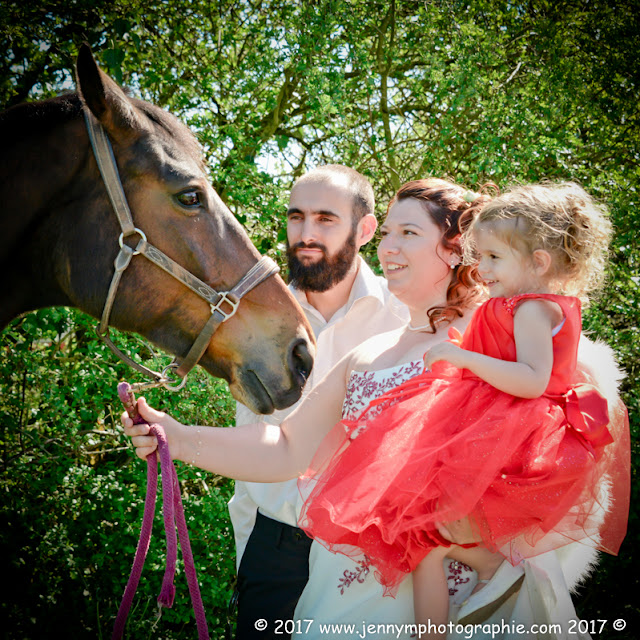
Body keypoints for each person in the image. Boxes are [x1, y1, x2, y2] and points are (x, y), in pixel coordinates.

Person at [123, 179, 628, 638]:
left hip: (470, 593)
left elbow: (564, 441)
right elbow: (287, 446)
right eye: (385, 232)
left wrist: (475, 535)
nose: (386, 247)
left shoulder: (502, 341)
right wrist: (177, 437)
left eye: (408, 232)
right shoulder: (365, 356)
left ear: (457, 250)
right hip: (347, 593)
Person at [297, 181, 629, 636]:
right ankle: (463, 589)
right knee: (429, 532)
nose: (483, 267)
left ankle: (458, 601)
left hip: (514, 427)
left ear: (539, 261)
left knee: (431, 532)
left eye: (493, 258)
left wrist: (462, 357)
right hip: (497, 418)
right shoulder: (514, 306)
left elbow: (533, 379)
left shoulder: (532, 310)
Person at [229, 164, 409, 639]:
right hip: (274, 551)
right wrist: (250, 556)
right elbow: (250, 445)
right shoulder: (255, 321)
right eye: (296, 217)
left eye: (326, 219)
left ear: (365, 229)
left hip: (368, 556)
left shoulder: (407, 317)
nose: (305, 234)